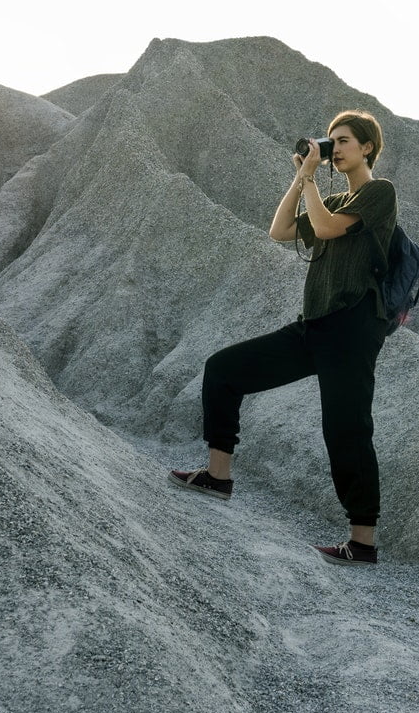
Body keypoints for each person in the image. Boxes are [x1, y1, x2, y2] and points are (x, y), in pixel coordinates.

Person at [169, 110, 398, 566]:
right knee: (224, 370)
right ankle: (218, 476)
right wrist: (301, 177)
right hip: (314, 324)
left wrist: (313, 180)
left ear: (368, 147)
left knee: (346, 428)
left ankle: (363, 542)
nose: (335, 148)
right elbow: (281, 231)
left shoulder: (379, 193)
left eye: (344, 141)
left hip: (353, 327)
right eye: (331, 140)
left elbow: (330, 230)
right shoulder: (328, 198)